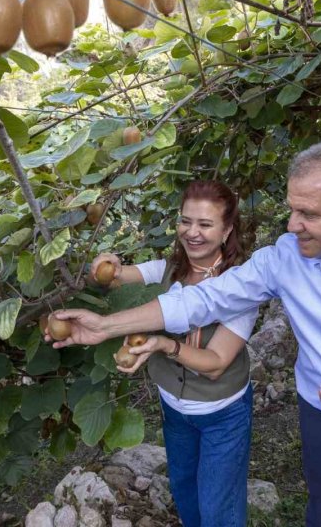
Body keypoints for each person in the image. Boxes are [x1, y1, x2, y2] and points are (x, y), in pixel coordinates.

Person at [52, 141, 321, 527]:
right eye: (292, 209)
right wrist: (106, 326)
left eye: (309, 214)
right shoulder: (283, 259)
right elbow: (201, 300)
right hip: (320, 419)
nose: (293, 225)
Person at [92, 180, 258, 527]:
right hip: (174, 410)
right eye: (186, 221)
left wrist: (166, 345)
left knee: (219, 510)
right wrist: (107, 265)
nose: (192, 232)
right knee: (185, 493)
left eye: (205, 224)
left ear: (227, 230)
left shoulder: (242, 287)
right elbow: (118, 277)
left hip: (222, 415)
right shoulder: (167, 270)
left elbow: (214, 365)